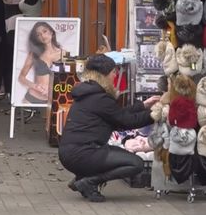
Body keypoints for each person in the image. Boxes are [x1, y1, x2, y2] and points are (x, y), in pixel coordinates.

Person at [58, 54, 160, 202]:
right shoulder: (99, 98)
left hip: (73, 152)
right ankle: (89, 181)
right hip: (83, 153)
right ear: (105, 75)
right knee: (135, 164)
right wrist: (156, 114)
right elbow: (126, 121)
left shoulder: (90, 93)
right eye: (113, 72)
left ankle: (84, 177)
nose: (115, 75)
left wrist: (143, 105)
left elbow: (117, 115)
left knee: (119, 155)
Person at [18, 22, 62, 104]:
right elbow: (21, 77)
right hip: (33, 97)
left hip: (57, 98)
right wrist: (35, 86)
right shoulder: (34, 54)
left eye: (44, 31)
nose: (42, 36)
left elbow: (67, 78)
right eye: (38, 35)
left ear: (51, 32)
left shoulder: (63, 54)